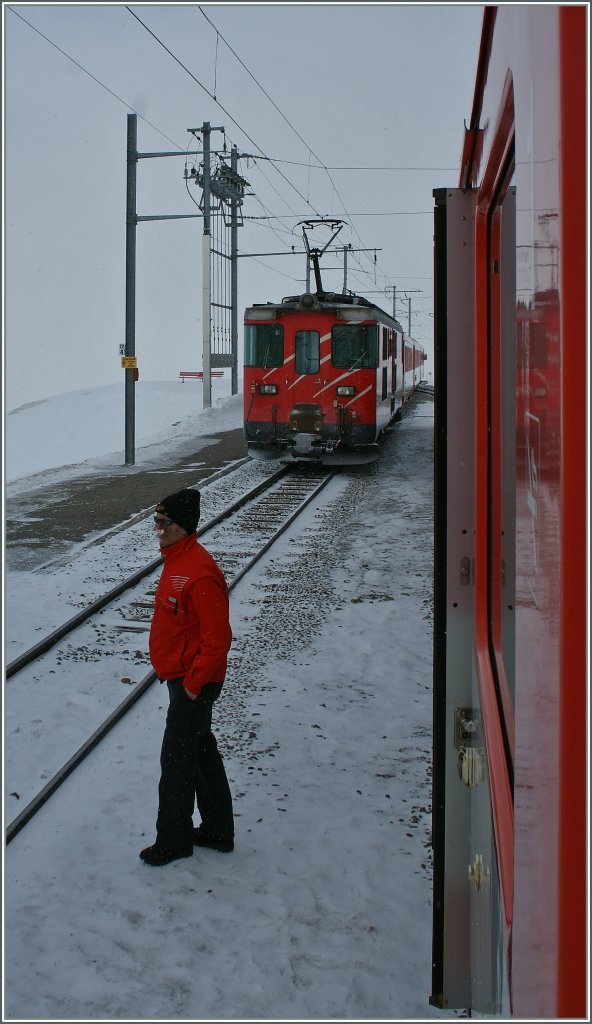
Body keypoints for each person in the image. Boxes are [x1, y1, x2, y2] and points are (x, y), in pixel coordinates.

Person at [140, 487, 234, 867]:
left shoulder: (199, 572)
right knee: (200, 754)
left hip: (194, 683)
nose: (157, 529)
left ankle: (173, 840)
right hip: (182, 678)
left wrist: (193, 687)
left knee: (176, 764)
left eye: (163, 523)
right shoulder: (177, 559)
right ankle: (217, 830)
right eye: (157, 522)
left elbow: (218, 640)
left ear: (182, 527)